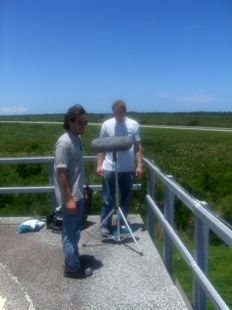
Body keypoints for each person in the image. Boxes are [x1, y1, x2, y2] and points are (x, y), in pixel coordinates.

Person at [53, 104, 92, 279]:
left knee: (75, 231)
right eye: (80, 122)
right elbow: (60, 173)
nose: (83, 125)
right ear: (70, 122)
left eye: (85, 122)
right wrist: (69, 198)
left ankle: (74, 259)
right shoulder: (64, 142)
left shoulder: (76, 138)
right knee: (69, 233)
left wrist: (80, 190)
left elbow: (74, 171)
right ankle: (72, 269)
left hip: (77, 195)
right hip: (70, 198)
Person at [96, 100, 143, 236]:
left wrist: (139, 165)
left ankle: (121, 224)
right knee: (107, 198)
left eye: (120, 114)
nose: (118, 116)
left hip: (127, 168)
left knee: (125, 198)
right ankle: (105, 225)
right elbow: (100, 146)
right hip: (109, 168)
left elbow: (138, 147)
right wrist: (99, 165)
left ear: (125, 112)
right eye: (115, 114)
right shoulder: (107, 124)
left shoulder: (133, 125)